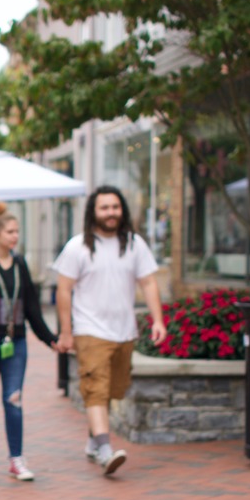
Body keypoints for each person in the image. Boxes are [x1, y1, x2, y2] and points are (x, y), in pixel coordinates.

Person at [53, 185, 167, 476]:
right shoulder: (77, 247)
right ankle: (105, 450)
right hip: (89, 329)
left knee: (114, 389)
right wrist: (66, 332)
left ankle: (93, 440)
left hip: (123, 330)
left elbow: (149, 283)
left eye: (115, 207)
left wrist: (158, 320)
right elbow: (64, 291)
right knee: (95, 388)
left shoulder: (134, 244)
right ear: (93, 212)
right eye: (104, 207)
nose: (111, 213)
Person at [0, 202, 62, 481]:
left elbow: (31, 307)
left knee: (14, 399)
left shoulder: (19, 264)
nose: (15, 236)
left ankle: (16, 459)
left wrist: (49, 338)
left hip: (15, 343)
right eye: (10, 231)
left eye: (17, 231)